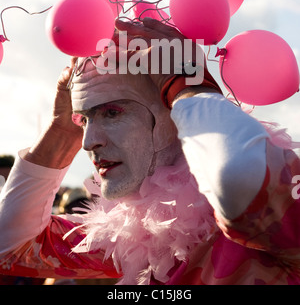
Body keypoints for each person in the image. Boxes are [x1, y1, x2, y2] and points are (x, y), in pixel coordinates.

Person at [0, 17, 300, 285]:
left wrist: (188, 82)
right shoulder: (137, 236)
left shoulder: (276, 211)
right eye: (84, 119)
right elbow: (10, 249)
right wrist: (61, 129)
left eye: (113, 112)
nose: (87, 141)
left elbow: (243, 182)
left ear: (176, 116)